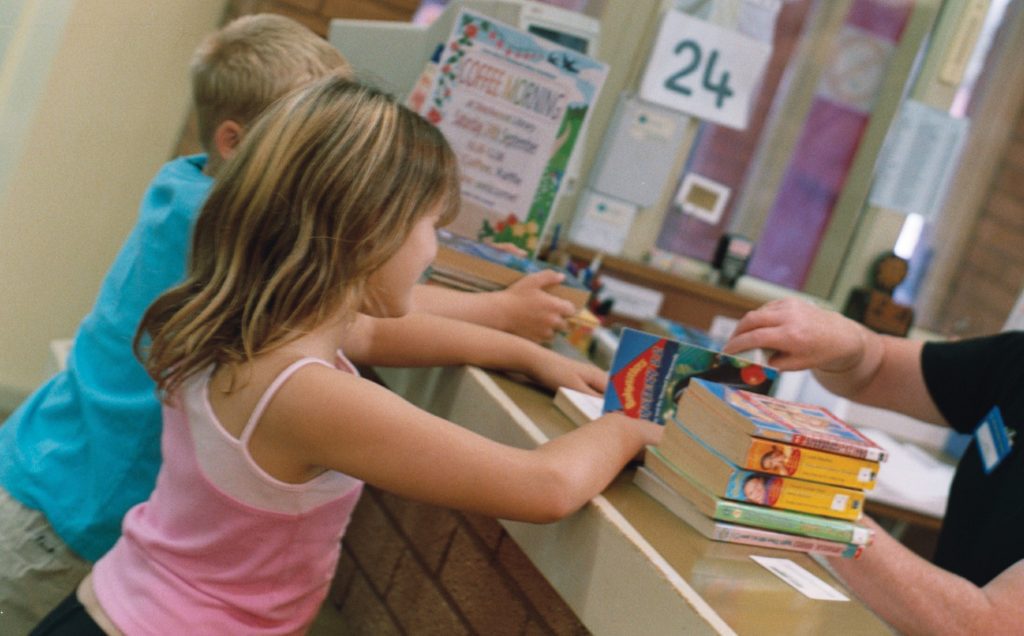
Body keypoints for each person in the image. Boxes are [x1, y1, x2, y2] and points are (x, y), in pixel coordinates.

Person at [0, 14, 572, 633]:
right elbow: (374, 324)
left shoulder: (200, 195)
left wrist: (513, 333)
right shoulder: (231, 242)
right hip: (69, 514)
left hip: (55, 473)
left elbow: (366, 320)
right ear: (235, 141)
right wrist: (502, 316)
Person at [723, 297, 1024, 634]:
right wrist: (851, 343)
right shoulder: (1014, 363)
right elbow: (875, 369)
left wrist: (815, 501)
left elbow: (988, 626)